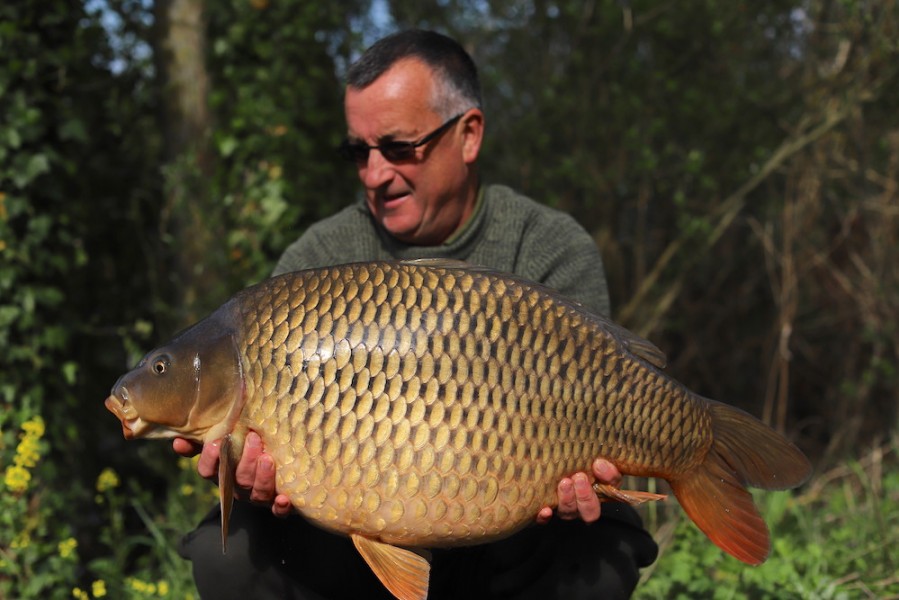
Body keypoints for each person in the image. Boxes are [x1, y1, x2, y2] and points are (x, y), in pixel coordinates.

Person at [174, 29, 658, 599]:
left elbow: (604, 407)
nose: (376, 174)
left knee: (602, 549)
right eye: (360, 151)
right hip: (350, 536)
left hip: (514, 529)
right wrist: (260, 480)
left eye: (400, 147)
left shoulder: (547, 245)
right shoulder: (318, 258)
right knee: (227, 553)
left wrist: (589, 480)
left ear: (469, 134)